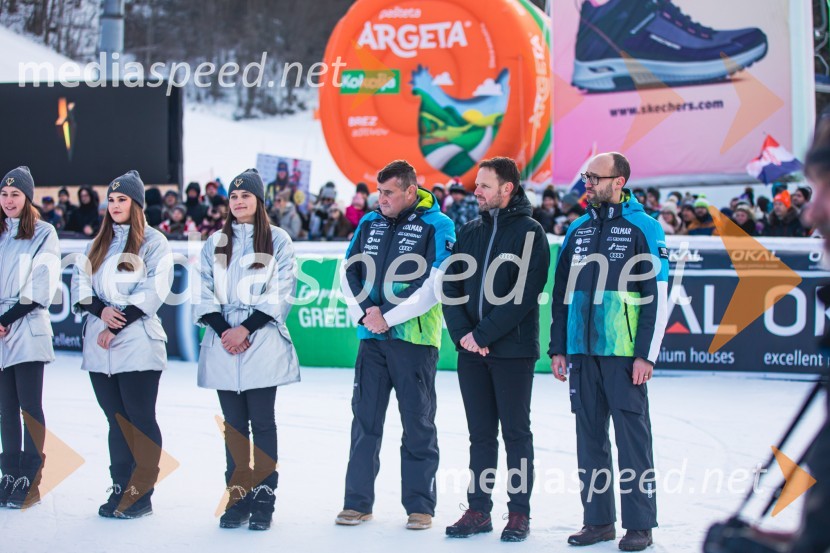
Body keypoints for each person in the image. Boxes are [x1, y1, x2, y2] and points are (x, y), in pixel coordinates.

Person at [549, 153, 668, 551]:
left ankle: (639, 524)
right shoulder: (578, 229)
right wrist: (559, 348)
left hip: (623, 354)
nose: (587, 183)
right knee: (590, 439)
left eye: (594, 177)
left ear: (618, 181)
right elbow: (561, 295)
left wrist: (646, 354)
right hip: (582, 355)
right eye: (585, 176)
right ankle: (597, 521)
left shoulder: (645, 227)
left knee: (632, 439)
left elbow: (658, 295)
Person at [337, 160, 455, 530]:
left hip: (415, 341)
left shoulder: (438, 224)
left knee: (418, 424)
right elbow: (347, 271)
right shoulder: (369, 222)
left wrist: (387, 315)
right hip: (371, 338)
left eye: (388, 192)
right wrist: (368, 314)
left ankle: (420, 506)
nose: (381, 198)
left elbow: (436, 283)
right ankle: (357, 503)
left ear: (409, 191)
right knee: (364, 421)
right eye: (379, 191)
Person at [442, 157, 550, 542]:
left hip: (513, 352)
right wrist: (464, 336)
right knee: (480, 435)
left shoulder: (531, 233)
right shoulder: (469, 231)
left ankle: (519, 512)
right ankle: (478, 509)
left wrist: (483, 335)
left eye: (485, 186)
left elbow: (524, 295)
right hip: (471, 352)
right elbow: (450, 287)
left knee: (517, 434)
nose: (476, 191)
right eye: (477, 184)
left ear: (507, 189)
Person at [193, 168, 299, 531]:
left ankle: (265, 500)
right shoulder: (214, 243)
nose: (238, 202)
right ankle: (238, 498)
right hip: (225, 344)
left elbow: (282, 288)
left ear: (259, 201)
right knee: (235, 427)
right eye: (234, 197)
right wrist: (225, 331)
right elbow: (203, 288)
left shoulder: (279, 240)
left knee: (262, 422)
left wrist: (246, 329)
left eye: (246, 196)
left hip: (260, 341)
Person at [71, 170, 173, 519]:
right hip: (100, 349)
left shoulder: (154, 242)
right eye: (111, 200)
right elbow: (80, 284)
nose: (115, 205)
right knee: (116, 421)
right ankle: (120, 485)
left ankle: (140, 491)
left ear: (137, 205)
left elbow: (154, 289)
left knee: (139, 419)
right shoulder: (95, 244)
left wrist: (116, 323)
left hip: (139, 345)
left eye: (122, 199)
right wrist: (101, 311)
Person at [0, 167, 60, 509]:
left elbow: (43, 280)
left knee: (29, 407)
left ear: (27, 198)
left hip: (27, 327)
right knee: (5, 409)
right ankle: (8, 472)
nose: (9, 201)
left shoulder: (43, 232)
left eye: (16, 195)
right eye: (5, 194)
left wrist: (6, 318)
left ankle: (30, 476)